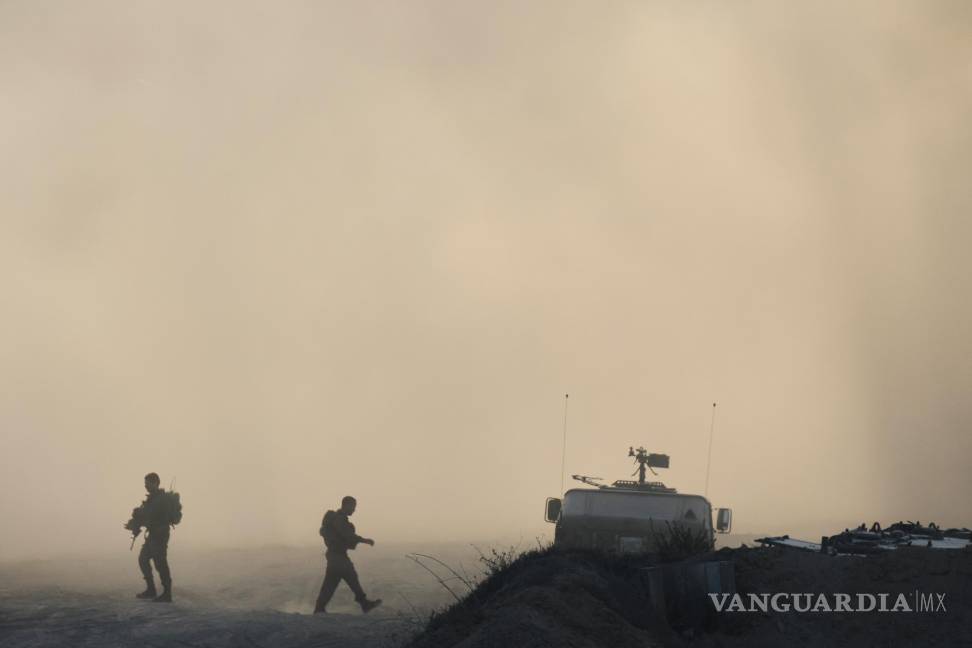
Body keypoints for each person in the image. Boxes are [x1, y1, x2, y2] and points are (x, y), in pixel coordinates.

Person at [314, 496, 382, 614]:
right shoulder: (339, 519)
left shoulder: (338, 519)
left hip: (336, 555)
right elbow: (348, 535)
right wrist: (364, 540)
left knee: (335, 581)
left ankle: (320, 608)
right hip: (337, 556)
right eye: (353, 507)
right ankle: (363, 603)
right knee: (347, 577)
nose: (354, 510)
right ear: (346, 505)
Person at [124, 472, 180, 603]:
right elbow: (146, 516)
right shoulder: (152, 499)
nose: (145, 486)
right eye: (145, 483)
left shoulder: (162, 499)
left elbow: (153, 516)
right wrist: (135, 522)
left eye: (148, 483)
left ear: (155, 483)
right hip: (153, 535)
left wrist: (139, 519)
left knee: (160, 563)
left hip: (160, 535)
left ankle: (167, 594)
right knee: (143, 559)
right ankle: (151, 590)